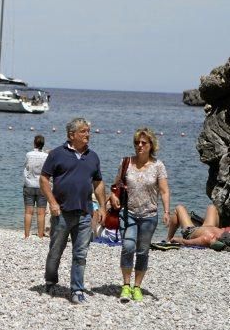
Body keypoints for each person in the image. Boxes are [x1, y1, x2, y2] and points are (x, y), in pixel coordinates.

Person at [40, 117, 106, 305]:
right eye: (83, 131)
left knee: (81, 254)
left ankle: (77, 289)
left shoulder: (93, 156)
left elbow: (98, 182)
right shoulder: (57, 154)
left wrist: (102, 206)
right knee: (55, 251)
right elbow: (44, 180)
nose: (88, 134)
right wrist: (52, 203)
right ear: (72, 135)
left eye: (88, 131)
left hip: (85, 213)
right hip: (61, 213)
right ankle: (50, 281)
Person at [110, 127, 170, 303]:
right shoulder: (126, 162)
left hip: (149, 215)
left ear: (151, 145)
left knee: (143, 252)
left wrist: (166, 211)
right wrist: (113, 197)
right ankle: (126, 286)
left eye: (144, 143)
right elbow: (115, 186)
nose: (140, 145)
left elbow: (165, 191)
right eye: (137, 142)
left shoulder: (158, 166)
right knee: (128, 247)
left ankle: (137, 287)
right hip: (128, 213)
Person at [23, 134, 49, 238]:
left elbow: (25, 166)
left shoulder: (29, 154)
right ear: (43, 144)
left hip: (29, 184)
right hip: (41, 185)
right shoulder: (46, 156)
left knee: (28, 212)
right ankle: (40, 236)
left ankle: (26, 235)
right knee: (41, 213)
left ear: (34, 143)